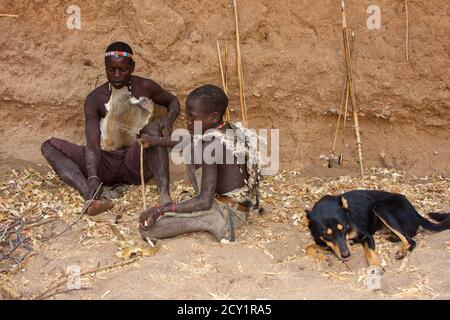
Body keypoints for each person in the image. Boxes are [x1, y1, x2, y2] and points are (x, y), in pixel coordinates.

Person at [41, 42, 179, 215]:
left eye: (122, 70)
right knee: (49, 146)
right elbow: (92, 143)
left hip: (135, 162)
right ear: (105, 68)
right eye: (111, 69)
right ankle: (93, 197)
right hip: (105, 162)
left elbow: (172, 101)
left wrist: (168, 120)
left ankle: (165, 196)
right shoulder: (95, 98)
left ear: (132, 67)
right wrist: (93, 176)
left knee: (152, 129)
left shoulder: (145, 87)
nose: (117, 75)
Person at [138, 84, 261, 241]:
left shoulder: (210, 146)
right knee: (193, 148)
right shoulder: (228, 129)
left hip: (229, 211)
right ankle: (210, 216)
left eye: (193, 117)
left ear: (213, 117)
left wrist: (162, 210)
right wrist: (154, 141)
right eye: (188, 116)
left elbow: (204, 202)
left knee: (151, 230)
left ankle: (215, 222)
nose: (188, 122)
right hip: (237, 203)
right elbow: (186, 140)